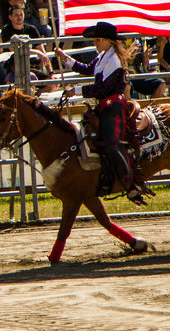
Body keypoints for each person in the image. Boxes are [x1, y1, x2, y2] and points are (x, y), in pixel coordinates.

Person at [54, 22, 150, 205]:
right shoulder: (103, 57)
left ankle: (130, 185)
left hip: (113, 108)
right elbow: (87, 69)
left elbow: (102, 87)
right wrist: (65, 58)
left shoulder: (113, 61)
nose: (95, 43)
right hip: (105, 106)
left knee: (111, 144)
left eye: (98, 39)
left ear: (108, 41)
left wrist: (75, 91)